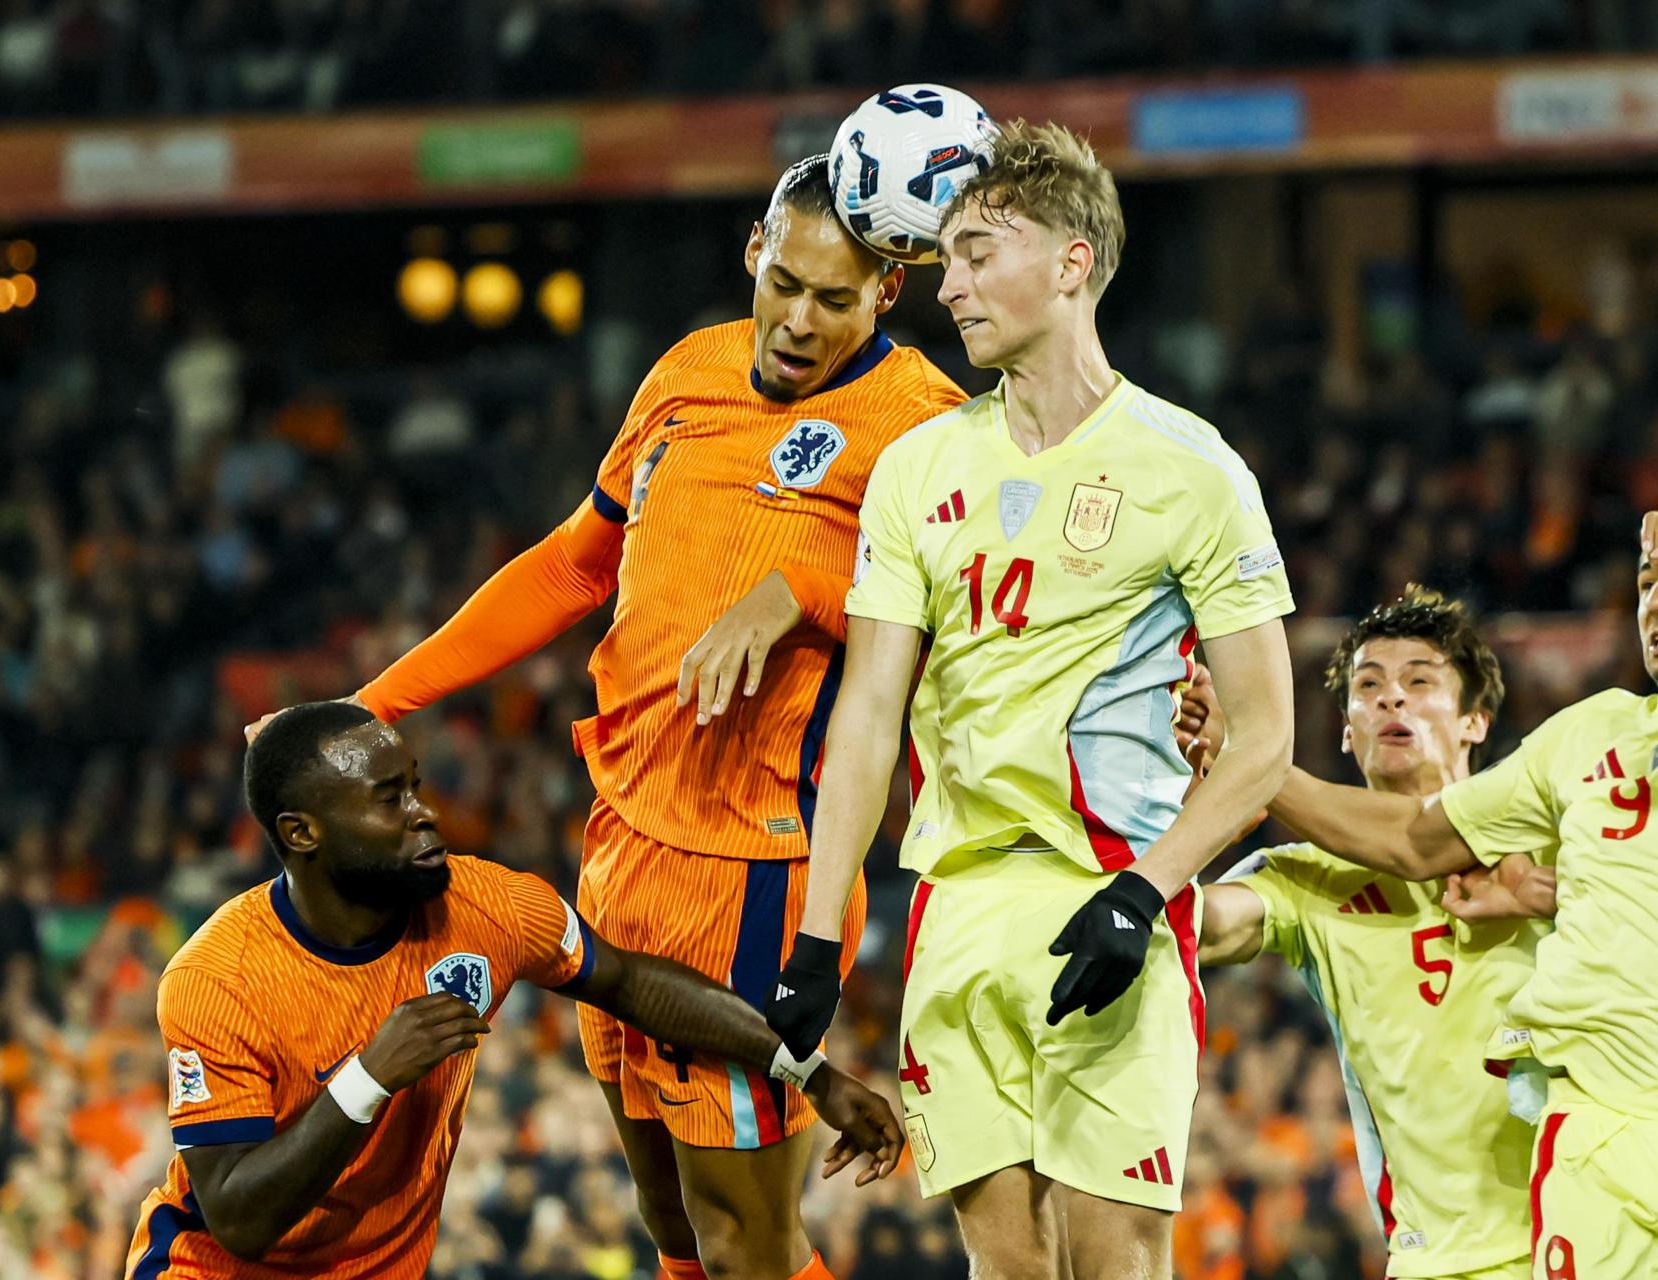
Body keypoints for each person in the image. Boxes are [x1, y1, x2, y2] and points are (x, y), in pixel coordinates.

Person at [247, 157, 967, 1280]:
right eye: (785, 282)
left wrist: (798, 590)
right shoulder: (688, 370)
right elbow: (572, 568)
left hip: (753, 863)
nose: (798, 318)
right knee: (671, 1223)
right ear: (754, 253)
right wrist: (372, 700)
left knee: (749, 1246)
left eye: (836, 298)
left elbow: (948, 591)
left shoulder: (924, 418)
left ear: (889, 292)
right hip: (621, 839)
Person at [766, 120, 1297, 1279]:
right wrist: (818, 939)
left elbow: (1264, 741)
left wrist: (1145, 897)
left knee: (1114, 1266)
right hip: (952, 919)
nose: (947, 284)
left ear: (1072, 262)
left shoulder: (1193, 467)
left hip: (1107, 899)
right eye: (945, 258)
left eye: (977, 252)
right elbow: (866, 716)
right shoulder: (918, 467)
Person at [125, 702, 901, 1279]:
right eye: (389, 799)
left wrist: (810, 1073)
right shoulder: (216, 978)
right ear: (302, 834)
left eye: (416, 787)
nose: (423, 813)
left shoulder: (484, 906)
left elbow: (631, 981)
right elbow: (238, 1218)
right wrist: (368, 1078)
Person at [1269, 504, 1658, 1279]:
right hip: (1601, 1140)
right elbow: (1414, 839)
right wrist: (1255, 767)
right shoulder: (1587, 734)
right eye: (1646, 584)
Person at [1193, 587, 1551, 1280]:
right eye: (1368, 686)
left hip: (1593, 1231)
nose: (1392, 698)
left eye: (1420, 681)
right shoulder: (1303, 877)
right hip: (1440, 1261)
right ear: (1346, 733)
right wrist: (1176, 808)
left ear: (1476, 721)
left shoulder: (1549, 829)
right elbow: (1193, 925)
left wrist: (1253, 764)